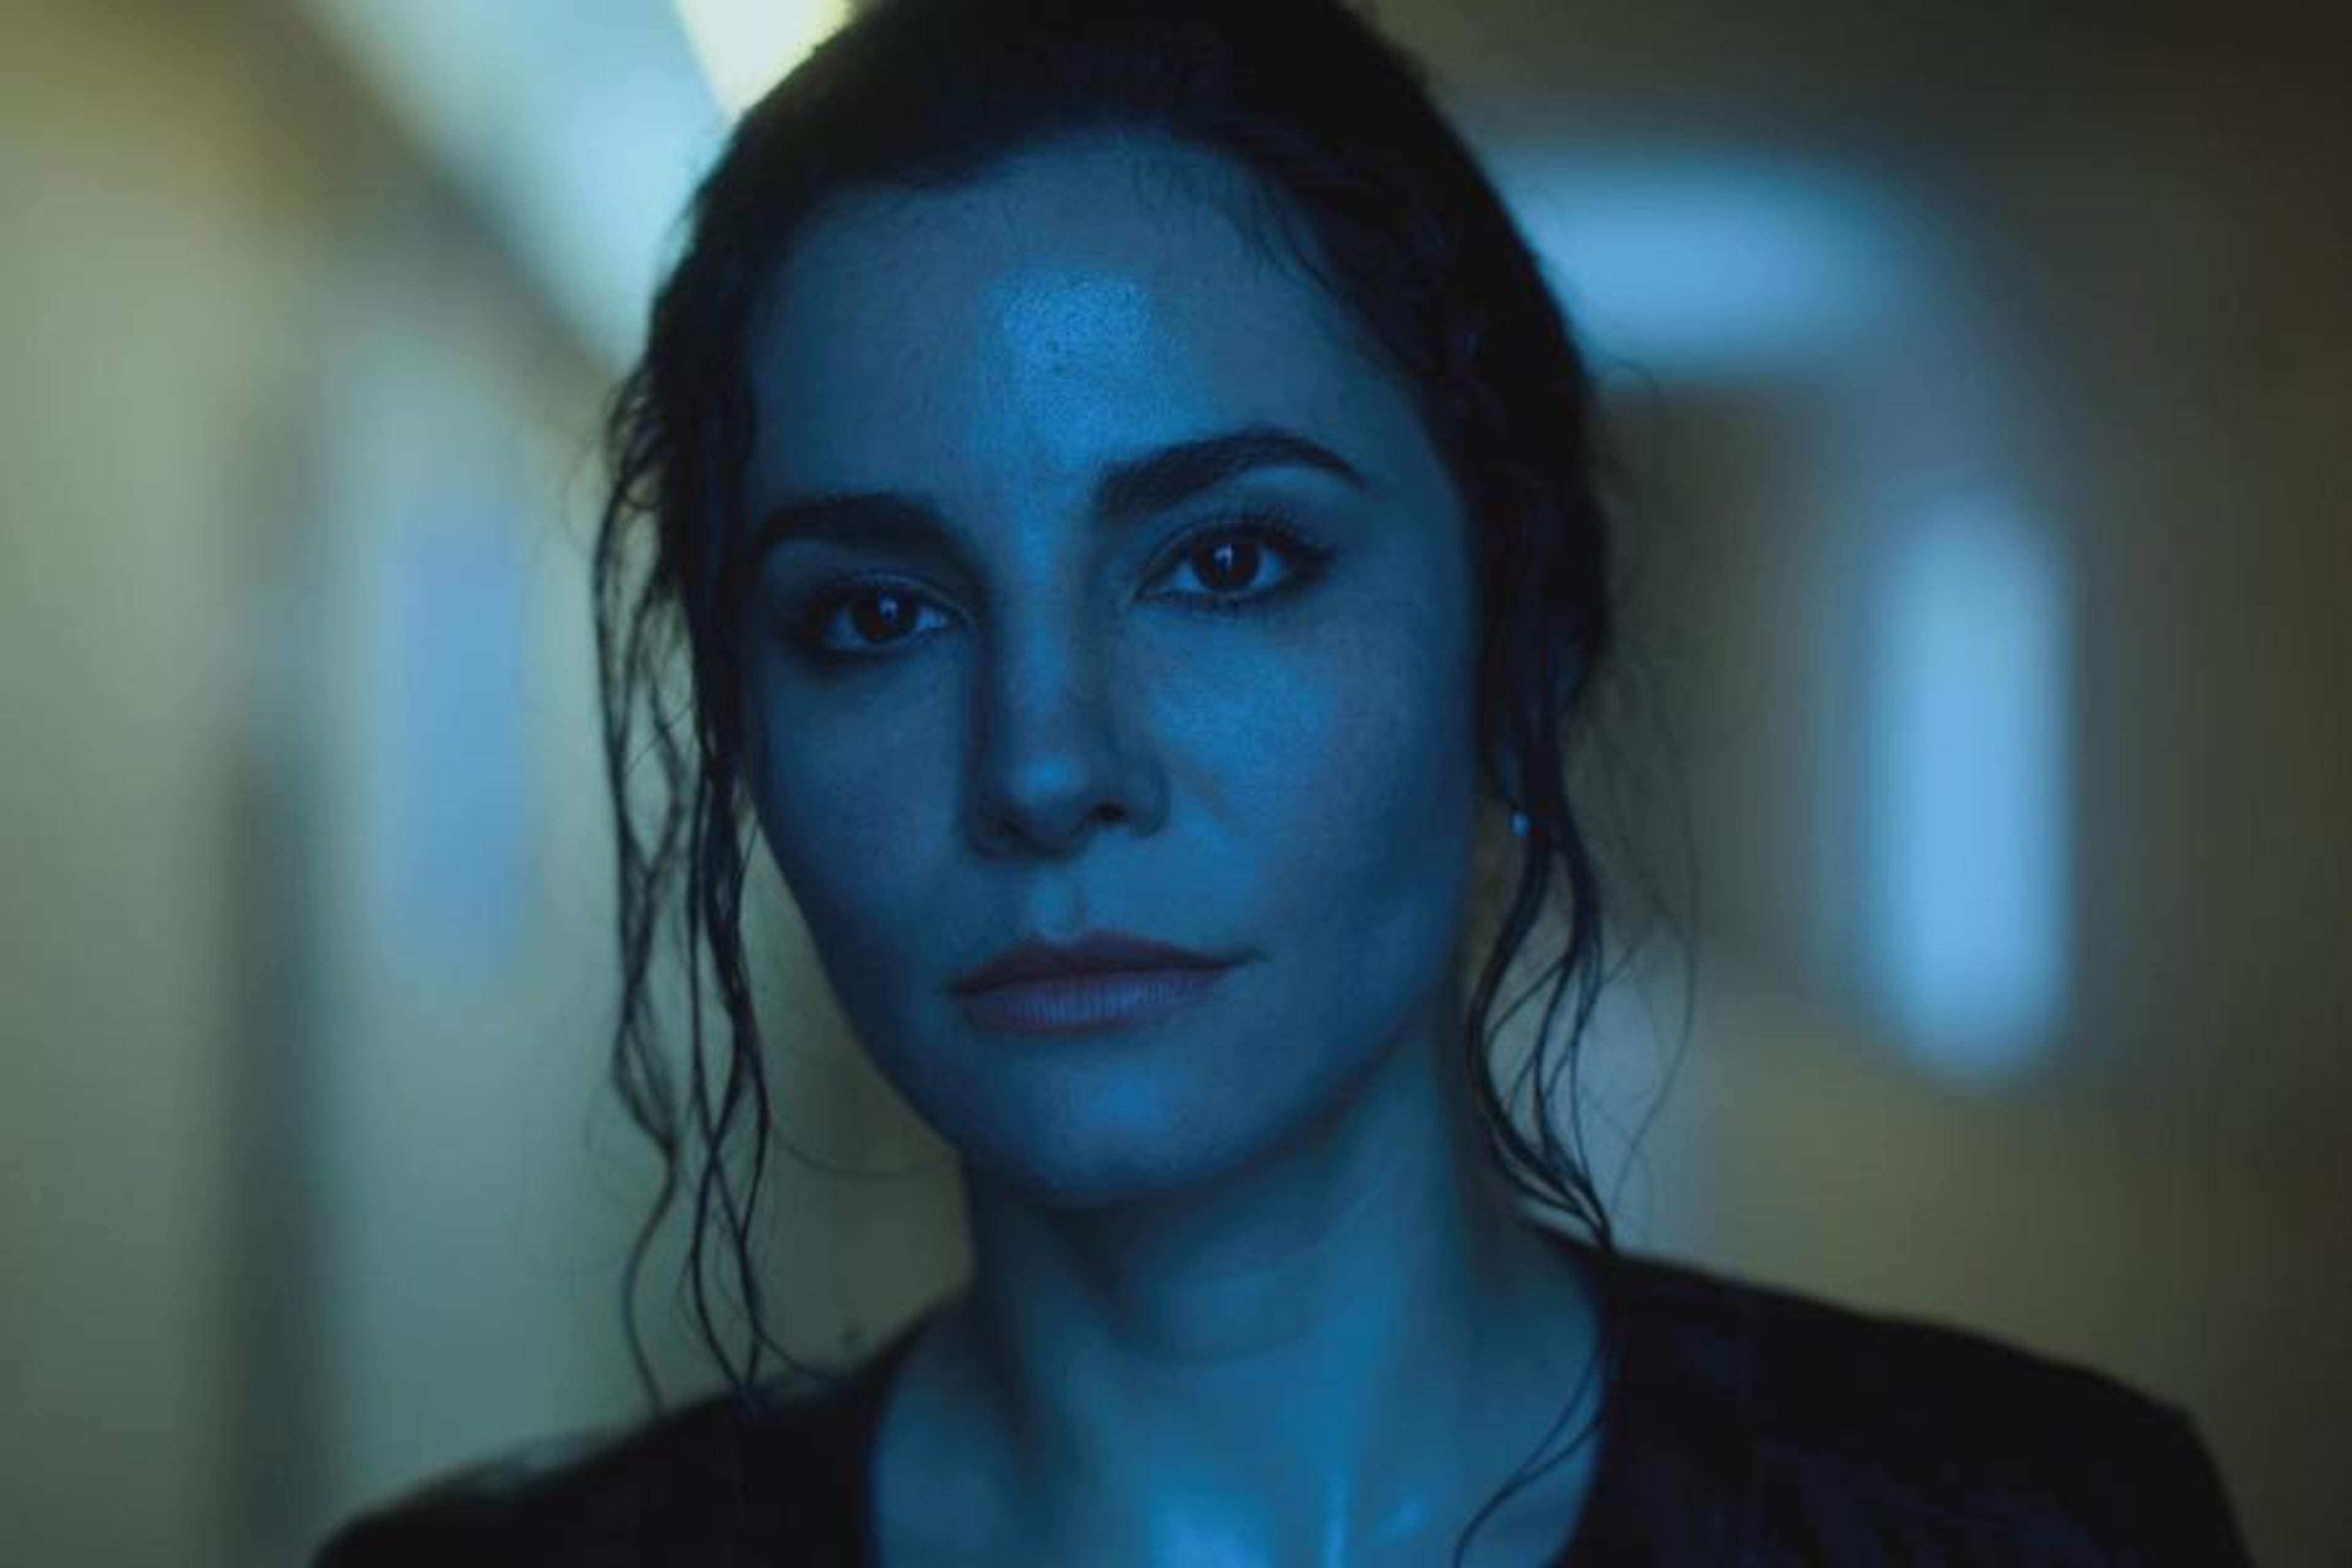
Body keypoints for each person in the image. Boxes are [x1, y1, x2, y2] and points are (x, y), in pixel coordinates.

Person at [318, 1, 2252, 1562]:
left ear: (1520, 649)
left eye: (1226, 563)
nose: (1046, 766)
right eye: (875, 615)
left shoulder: (2030, 1525)